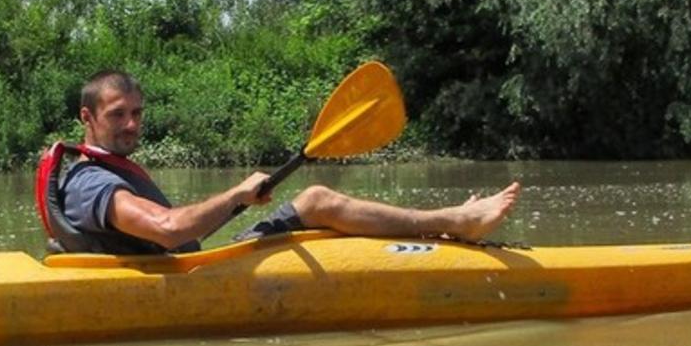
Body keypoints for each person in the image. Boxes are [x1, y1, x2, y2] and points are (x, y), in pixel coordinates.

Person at [62, 70, 521, 253]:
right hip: (190, 279)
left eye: (137, 113)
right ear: (88, 117)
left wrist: (234, 202)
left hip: (192, 265)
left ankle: (447, 225)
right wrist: (237, 192)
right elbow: (166, 229)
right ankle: (455, 222)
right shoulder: (91, 182)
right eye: (117, 115)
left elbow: (176, 230)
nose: (131, 124)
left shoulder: (106, 168)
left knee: (315, 199)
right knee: (318, 198)